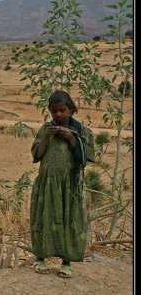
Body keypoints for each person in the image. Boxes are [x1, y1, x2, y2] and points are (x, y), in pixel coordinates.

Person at [30, 90, 95, 278]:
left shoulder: (82, 131)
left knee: (70, 220)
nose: (58, 115)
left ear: (71, 110)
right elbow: (37, 156)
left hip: (70, 185)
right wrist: (46, 138)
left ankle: (67, 262)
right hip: (47, 183)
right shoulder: (45, 129)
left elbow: (85, 159)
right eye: (54, 111)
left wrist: (72, 139)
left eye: (62, 110)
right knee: (43, 216)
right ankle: (40, 257)